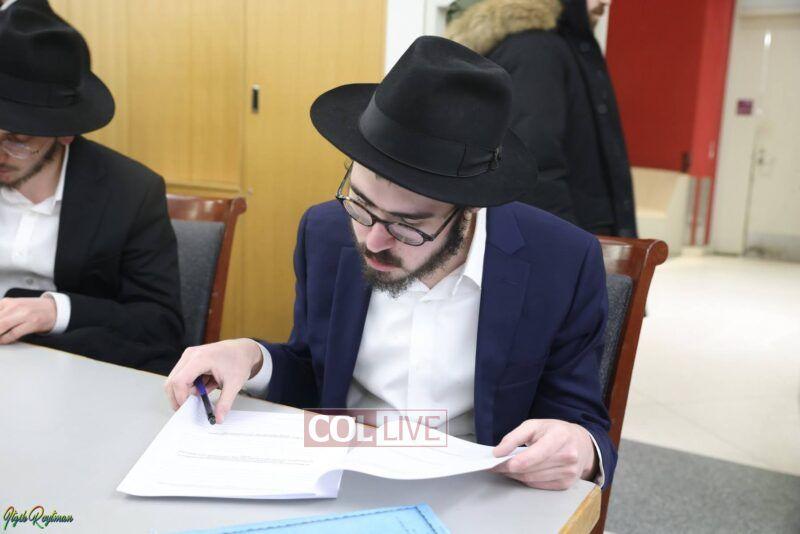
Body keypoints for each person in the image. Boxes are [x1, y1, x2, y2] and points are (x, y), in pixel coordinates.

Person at [165, 36, 615, 490]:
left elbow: (580, 423)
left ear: (470, 209)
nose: (374, 241)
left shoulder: (561, 261)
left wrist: (577, 447)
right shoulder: (325, 232)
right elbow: (313, 372)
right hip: (341, 476)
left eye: (407, 225)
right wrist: (251, 357)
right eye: (361, 205)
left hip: (480, 488)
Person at [0, 1, 184, 374]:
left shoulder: (131, 192)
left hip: (78, 374)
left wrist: (56, 311)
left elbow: (160, 325)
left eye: (17, 139)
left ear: (64, 132)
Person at [446, 0, 638, 237]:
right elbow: (537, 165)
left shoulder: (552, 46)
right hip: (574, 236)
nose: (605, 2)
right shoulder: (536, 51)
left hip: (578, 232)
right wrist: (566, 245)